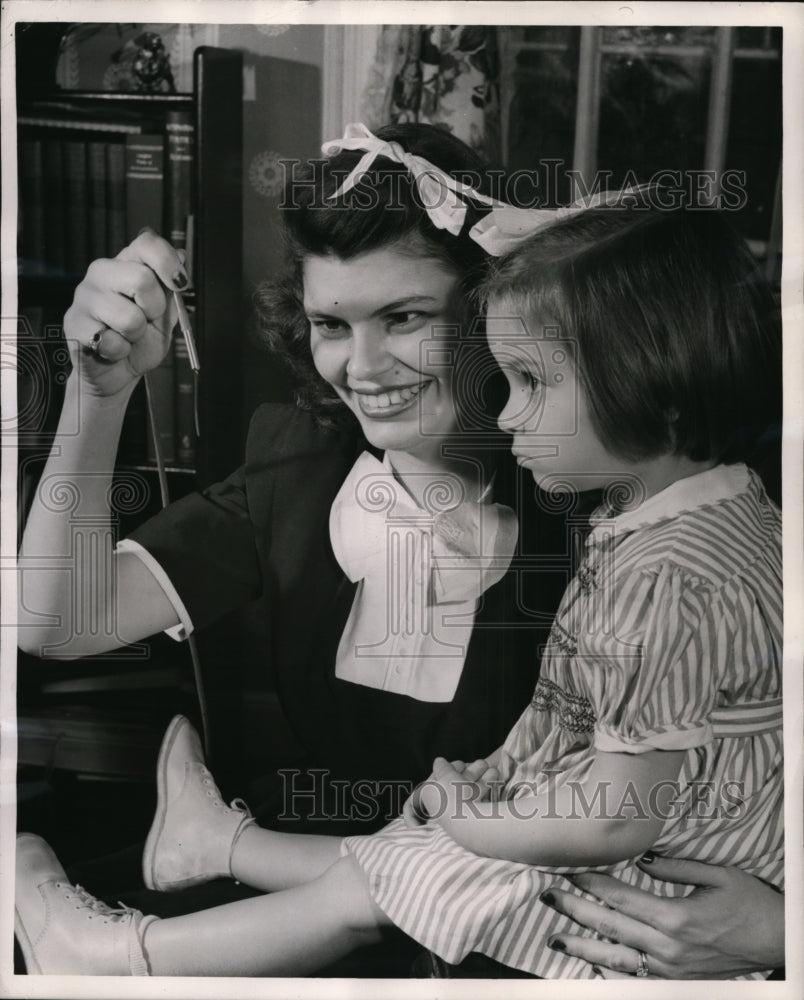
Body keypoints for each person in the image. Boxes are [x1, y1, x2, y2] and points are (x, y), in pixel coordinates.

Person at [15, 192, 784, 979]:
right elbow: (55, 623)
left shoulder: (613, 489)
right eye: (331, 325)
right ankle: (211, 852)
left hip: (549, 919)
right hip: (355, 881)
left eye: (406, 317)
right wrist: (98, 394)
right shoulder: (295, 471)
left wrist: (780, 929)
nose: (364, 366)